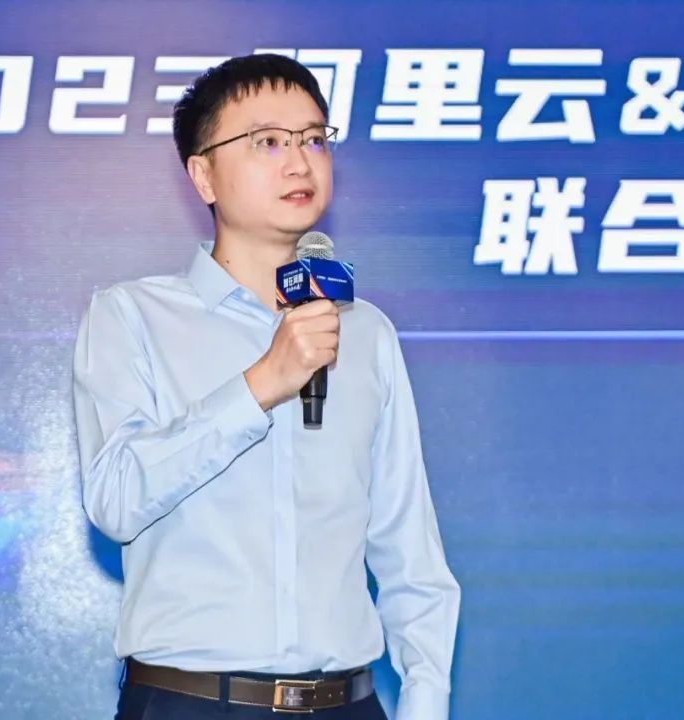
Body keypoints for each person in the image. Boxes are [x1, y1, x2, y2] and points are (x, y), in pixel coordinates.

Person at [72, 53, 459, 720]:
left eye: (313, 139)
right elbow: (115, 500)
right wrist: (259, 386)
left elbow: (409, 549)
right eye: (268, 142)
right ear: (203, 174)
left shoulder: (365, 331)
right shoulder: (131, 316)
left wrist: (425, 701)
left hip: (347, 703)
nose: (300, 162)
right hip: (191, 703)